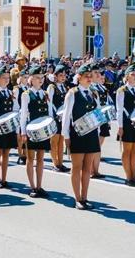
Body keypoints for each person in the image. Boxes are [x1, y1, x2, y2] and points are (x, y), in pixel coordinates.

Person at [61, 63, 100, 210]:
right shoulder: (72, 93)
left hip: (91, 134)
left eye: (91, 76)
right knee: (77, 167)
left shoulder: (93, 93)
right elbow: (66, 115)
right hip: (77, 134)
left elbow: (98, 114)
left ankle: (85, 197)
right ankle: (77, 198)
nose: (89, 79)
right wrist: (66, 135)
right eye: (86, 76)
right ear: (79, 78)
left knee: (87, 168)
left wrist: (97, 131)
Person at [20, 66, 54, 198]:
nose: (40, 80)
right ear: (31, 79)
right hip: (31, 131)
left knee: (41, 158)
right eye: (38, 78)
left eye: (42, 78)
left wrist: (50, 129)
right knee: (30, 158)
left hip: (43, 130)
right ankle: (32, 186)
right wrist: (23, 132)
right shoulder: (26, 94)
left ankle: (39, 186)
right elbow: (23, 114)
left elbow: (50, 112)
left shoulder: (45, 93)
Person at [115, 65, 135, 186]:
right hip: (127, 123)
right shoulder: (122, 90)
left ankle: (134, 176)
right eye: (133, 75)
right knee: (127, 151)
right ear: (127, 77)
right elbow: (119, 109)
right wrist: (120, 126)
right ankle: (128, 177)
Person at [46, 64, 70, 173]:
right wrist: (51, 118)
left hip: (63, 117)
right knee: (54, 141)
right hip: (55, 117)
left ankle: (61, 162)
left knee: (61, 141)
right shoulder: (52, 87)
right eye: (61, 75)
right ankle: (55, 163)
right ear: (55, 76)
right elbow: (49, 103)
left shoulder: (65, 87)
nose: (63, 77)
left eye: (64, 75)